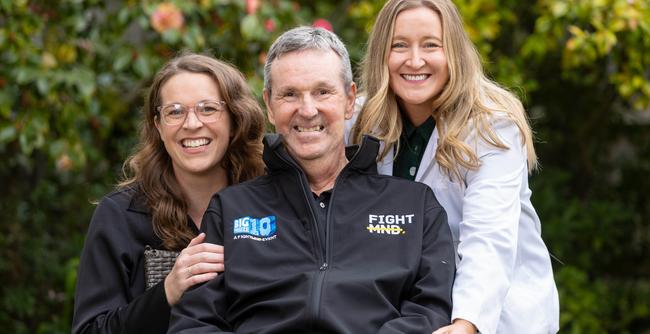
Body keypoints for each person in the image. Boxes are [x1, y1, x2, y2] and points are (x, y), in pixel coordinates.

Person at [169, 26, 456, 334]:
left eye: (322, 92)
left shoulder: (414, 205)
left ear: (349, 100)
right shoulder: (231, 209)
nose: (307, 110)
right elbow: (194, 324)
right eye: (290, 94)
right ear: (269, 104)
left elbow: (431, 311)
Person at [349, 0, 559, 334]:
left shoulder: (493, 125)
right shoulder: (360, 121)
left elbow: (488, 237)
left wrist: (467, 322)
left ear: (454, 53)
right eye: (399, 45)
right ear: (381, 55)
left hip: (496, 314)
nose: (414, 60)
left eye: (431, 45)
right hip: (408, 312)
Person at [72, 53, 266, 334]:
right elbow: (89, 330)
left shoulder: (270, 205)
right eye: (175, 111)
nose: (191, 124)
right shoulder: (120, 216)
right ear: (158, 126)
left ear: (235, 119)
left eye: (208, 109)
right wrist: (167, 292)